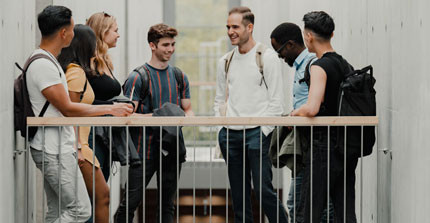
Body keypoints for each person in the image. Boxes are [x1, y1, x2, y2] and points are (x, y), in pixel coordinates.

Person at [27, 6, 132, 222]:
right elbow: (68, 108)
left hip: (56, 147)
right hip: (53, 149)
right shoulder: (43, 64)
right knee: (80, 210)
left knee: (57, 211)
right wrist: (111, 109)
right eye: (73, 29)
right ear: (64, 33)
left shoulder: (48, 61)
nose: (75, 34)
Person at [214, 6, 288, 223]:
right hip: (230, 136)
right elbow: (219, 100)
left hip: (258, 134)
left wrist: (263, 132)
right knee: (239, 196)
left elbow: (277, 102)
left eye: (235, 26)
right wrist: (221, 129)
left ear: (249, 27)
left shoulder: (267, 57)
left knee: (264, 192)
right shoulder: (225, 61)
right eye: (228, 27)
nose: (230, 31)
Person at [115, 23, 194, 223]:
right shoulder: (137, 77)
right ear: (152, 45)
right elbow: (126, 115)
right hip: (143, 151)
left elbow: (187, 109)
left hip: (172, 149)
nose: (170, 49)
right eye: (165, 45)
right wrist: (162, 116)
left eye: (173, 44)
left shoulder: (179, 76)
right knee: (130, 203)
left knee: (167, 205)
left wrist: (187, 118)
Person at [291, 11, 359, 223]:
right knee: (344, 209)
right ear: (332, 33)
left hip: (324, 145)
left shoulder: (319, 66)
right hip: (345, 144)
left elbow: (312, 107)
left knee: (309, 209)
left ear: (308, 36)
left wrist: (296, 112)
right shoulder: (344, 64)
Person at [270, 22, 334, 222]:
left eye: (279, 51)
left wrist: (295, 115)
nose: (280, 57)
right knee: (301, 203)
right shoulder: (302, 66)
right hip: (307, 146)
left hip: (314, 145)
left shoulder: (312, 65)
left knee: (302, 204)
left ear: (290, 45)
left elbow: (315, 105)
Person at [58, 24, 110, 223]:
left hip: (81, 144)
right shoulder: (76, 72)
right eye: (94, 44)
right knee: (100, 197)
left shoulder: (76, 71)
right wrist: (78, 147)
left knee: (98, 197)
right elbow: (70, 111)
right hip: (78, 145)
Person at [86, 12, 122, 181]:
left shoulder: (104, 61)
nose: (118, 35)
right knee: (96, 188)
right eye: (115, 30)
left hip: (104, 130)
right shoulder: (88, 62)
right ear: (102, 32)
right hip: (91, 131)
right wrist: (113, 107)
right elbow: (81, 99)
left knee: (102, 186)